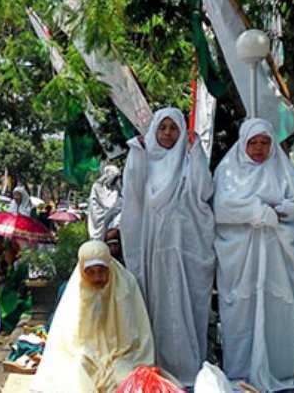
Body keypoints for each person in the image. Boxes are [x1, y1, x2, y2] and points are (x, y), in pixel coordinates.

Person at [118, 107, 215, 385]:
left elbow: (203, 193)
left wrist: (196, 156)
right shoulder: (144, 161)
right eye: (163, 128)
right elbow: (133, 196)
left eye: (174, 128)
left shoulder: (188, 162)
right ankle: (153, 365)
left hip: (182, 249)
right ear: (154, 131)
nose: (169, 134)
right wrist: (136, 153)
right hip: (151, 249)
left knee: (181, 304)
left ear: (182, 131)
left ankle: (184, 366)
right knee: (152, 304)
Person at [213, 118, 294, 391]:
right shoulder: (228, 170)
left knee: (276, 309)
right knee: (240, 312)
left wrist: (276, 213)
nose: (258, 148)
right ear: (243, 144)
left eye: (264, 142)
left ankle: (277, 369)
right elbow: (220, 208)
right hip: (241, 257)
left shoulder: (285, 171)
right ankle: (240, 372)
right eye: (252, 142)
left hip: (277, 256)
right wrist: (258, 210)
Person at [30, 241, 154, 393]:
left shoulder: (127, 285)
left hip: (123, 353)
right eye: (91, 272)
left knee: (125, 378)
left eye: (101, 271)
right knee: (76, 377)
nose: (97, 278)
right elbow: (68, 338)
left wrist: (115, 356)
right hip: (86, 353)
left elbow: (138, 330)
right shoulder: (75, 290)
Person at [0, 239, 32, 335]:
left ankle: (7, 325)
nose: (5, 255)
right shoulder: (14, 264)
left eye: (6, 252)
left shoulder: (19, 264)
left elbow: (15, 280)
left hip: (21, 292)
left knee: (4, 294)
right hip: (18, 288)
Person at [87, 165, 123, 240]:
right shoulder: (97, 186)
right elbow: (100, 205)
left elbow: (118, 203)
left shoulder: (115, 188)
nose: (116, 180)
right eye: (115, 177)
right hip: (99, 220)